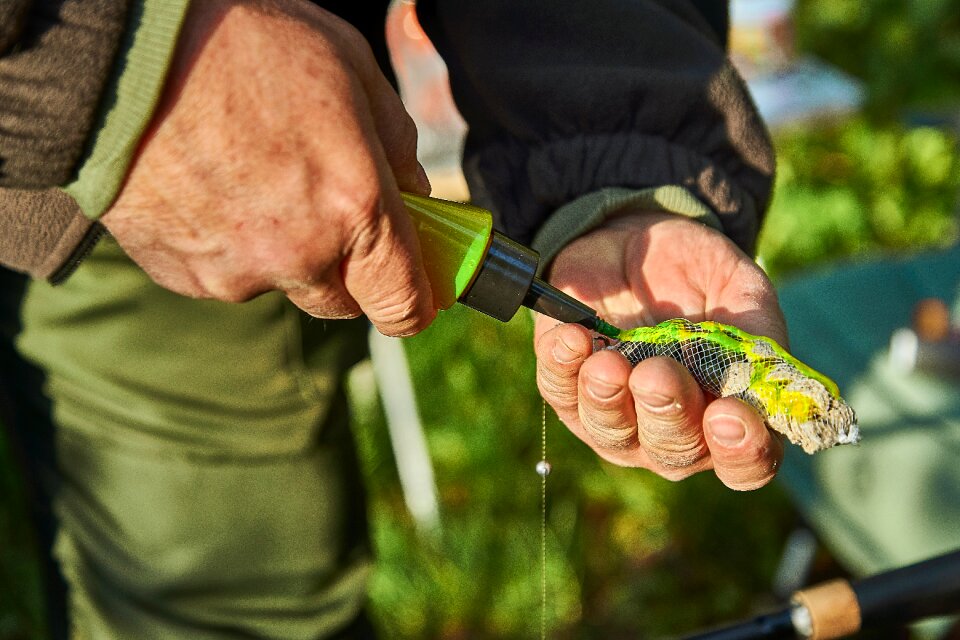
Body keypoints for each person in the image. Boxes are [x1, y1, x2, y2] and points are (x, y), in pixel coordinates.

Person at [0, 0, 784, 637]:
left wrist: (619, 163)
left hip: (308, 148)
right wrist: (117, 71)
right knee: (195, 581)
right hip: (87, 165)